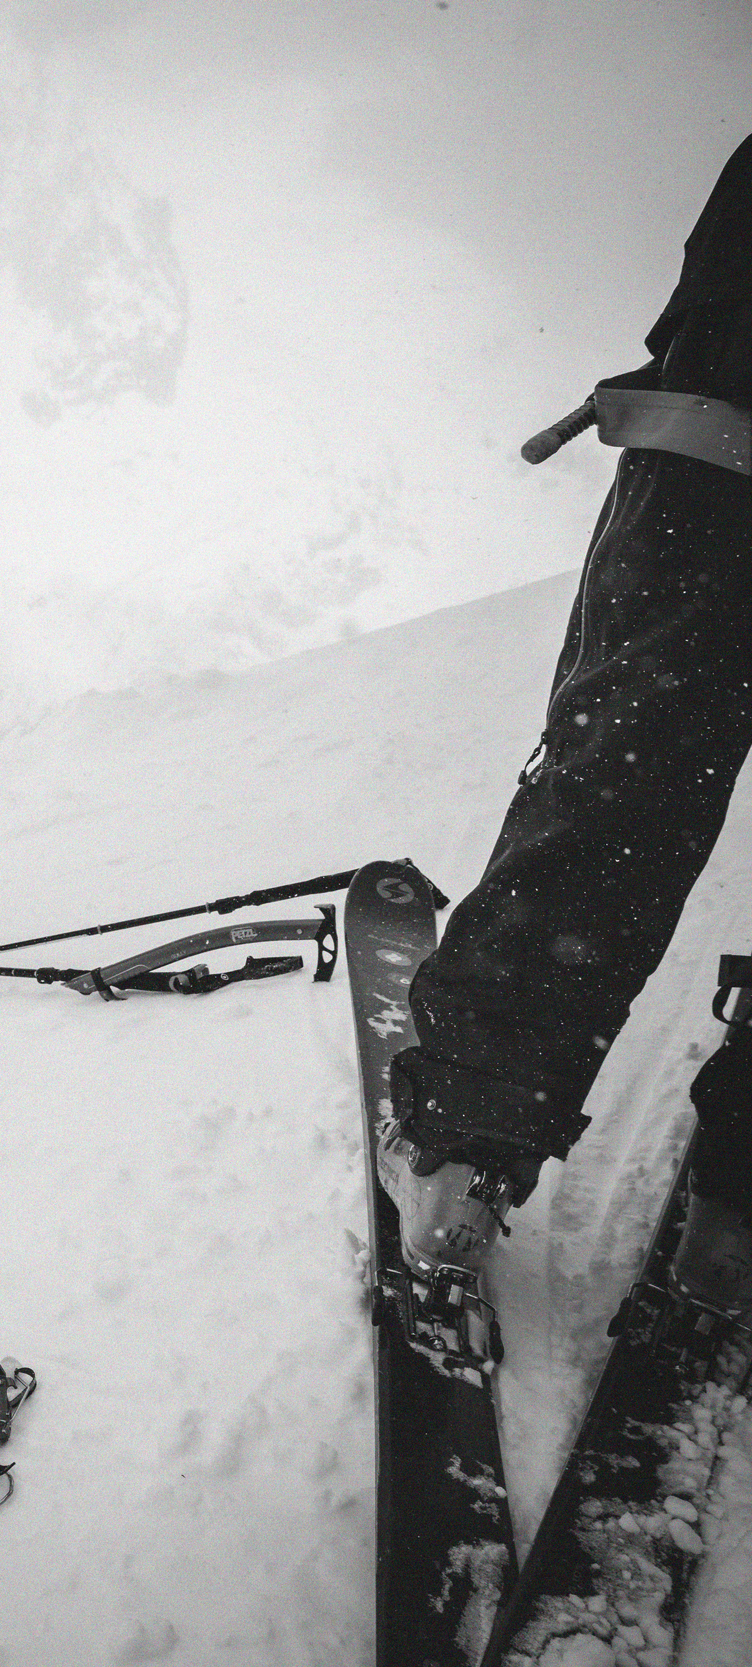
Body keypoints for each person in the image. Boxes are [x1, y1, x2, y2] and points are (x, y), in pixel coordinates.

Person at [381, 134, 752, 1308]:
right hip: (726, 408)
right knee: (624, 783)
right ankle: (720, 1202)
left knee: (623, 785)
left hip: (723, 418)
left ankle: (471, 1141)